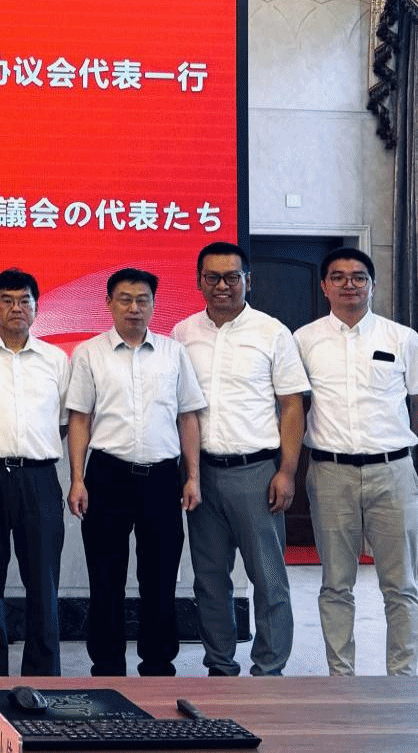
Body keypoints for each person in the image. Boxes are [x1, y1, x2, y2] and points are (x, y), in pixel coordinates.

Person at [173, 241, 309, 677]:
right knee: (210, 580)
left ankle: (269, 670)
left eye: (232, 277)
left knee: (268, 579)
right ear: (199, 281)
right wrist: (189, 473)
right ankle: (220, 667)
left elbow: (292, 405)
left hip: (257, 473)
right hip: (200, 474)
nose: (222, 286)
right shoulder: (181, 334)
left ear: (248, 281)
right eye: (212, 277)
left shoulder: (272, 332)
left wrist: (287, 471)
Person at [66, 267, 205, 676]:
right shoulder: (89, 353)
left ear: (153, 304)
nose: (134, 308)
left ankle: (158, 665)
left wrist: (192, 476)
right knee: (105, 577)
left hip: (162, 478)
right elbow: (80, 418)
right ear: (109, 303)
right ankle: (107, 665)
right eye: (125, 299)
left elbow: (188, 416)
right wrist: (77, 479)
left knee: (159, 577)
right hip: (106, 475)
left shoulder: (173, 353)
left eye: (143, 300)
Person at [295, 247, 418, 675]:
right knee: (336, 584)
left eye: (359, 277)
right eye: (339, 277)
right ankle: (340, 676)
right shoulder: (303, 340)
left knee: (401, 585)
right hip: (330, 473)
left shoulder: (402, 338)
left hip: (393, 471)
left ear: (372, 285)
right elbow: (293, 407)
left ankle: (402, 677)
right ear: (324, 286)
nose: (350, 284)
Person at [0, 267, 70, 676]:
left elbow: (64, 421)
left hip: (39, 477)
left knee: (43, 581)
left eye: (25, 300)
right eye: (7, 300)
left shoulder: (56, 360)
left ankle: (43, 674)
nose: (16, 308)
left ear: (37, 307)